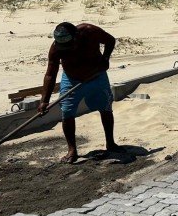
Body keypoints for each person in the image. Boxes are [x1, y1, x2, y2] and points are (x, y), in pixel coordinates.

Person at [39, 22, 122, 163]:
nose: (68, 50)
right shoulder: (56, 49)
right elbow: (50, 74)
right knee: (67, 112)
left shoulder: (90, 32)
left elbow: (110, 40)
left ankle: (111, 143)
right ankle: (72, 150)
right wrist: (44, 100)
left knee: (105, 108)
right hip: (71, 79)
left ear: (76, 36)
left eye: (70, 45)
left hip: (97, 75)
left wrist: (105, 58)